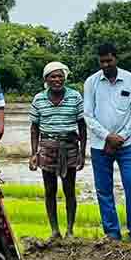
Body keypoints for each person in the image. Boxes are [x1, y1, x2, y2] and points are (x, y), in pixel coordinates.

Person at [83, 43, 131, 244]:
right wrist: (107, 136)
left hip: (127, 145)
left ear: (116, 58)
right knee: (103, 190)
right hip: (100, 146)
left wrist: (121, 137)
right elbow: (88, 115)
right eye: (102, 61)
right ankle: (112, 233)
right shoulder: (91, 82)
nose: (106, 64)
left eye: (109, 60)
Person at [28, 62, 86, 240]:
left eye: (60, 76)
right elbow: (34, 128)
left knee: (69, 189)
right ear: (46, 79)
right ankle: (54, 230)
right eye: (52, 76)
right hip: (47, 147)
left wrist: (82, 153)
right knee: (49, 189)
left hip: (69, 147)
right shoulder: (39, 99)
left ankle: (69, 230)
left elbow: (82, 127)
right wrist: (33, 153)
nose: (57, 80)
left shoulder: (75, 97)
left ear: (65, 78)